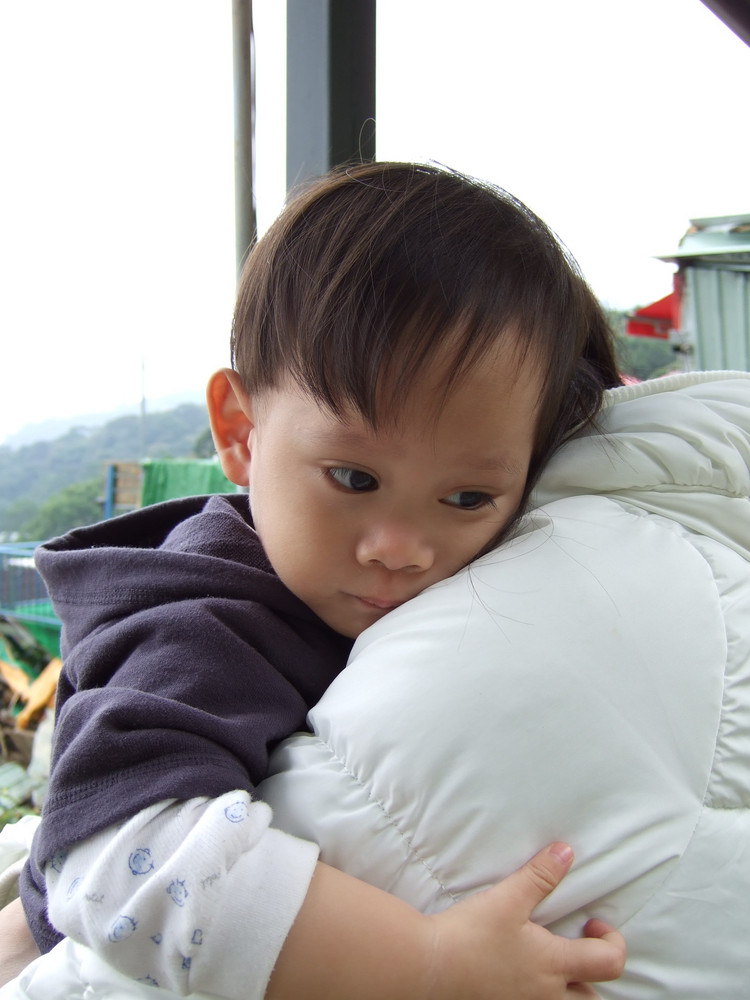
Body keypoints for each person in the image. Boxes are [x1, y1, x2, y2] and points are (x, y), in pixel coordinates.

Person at [7, 162, 627, 999]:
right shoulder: (201, 621)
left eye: (467, 498)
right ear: (241, 432)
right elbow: (115, 861)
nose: (400, 549)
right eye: (354, 479)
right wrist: (423, 964)